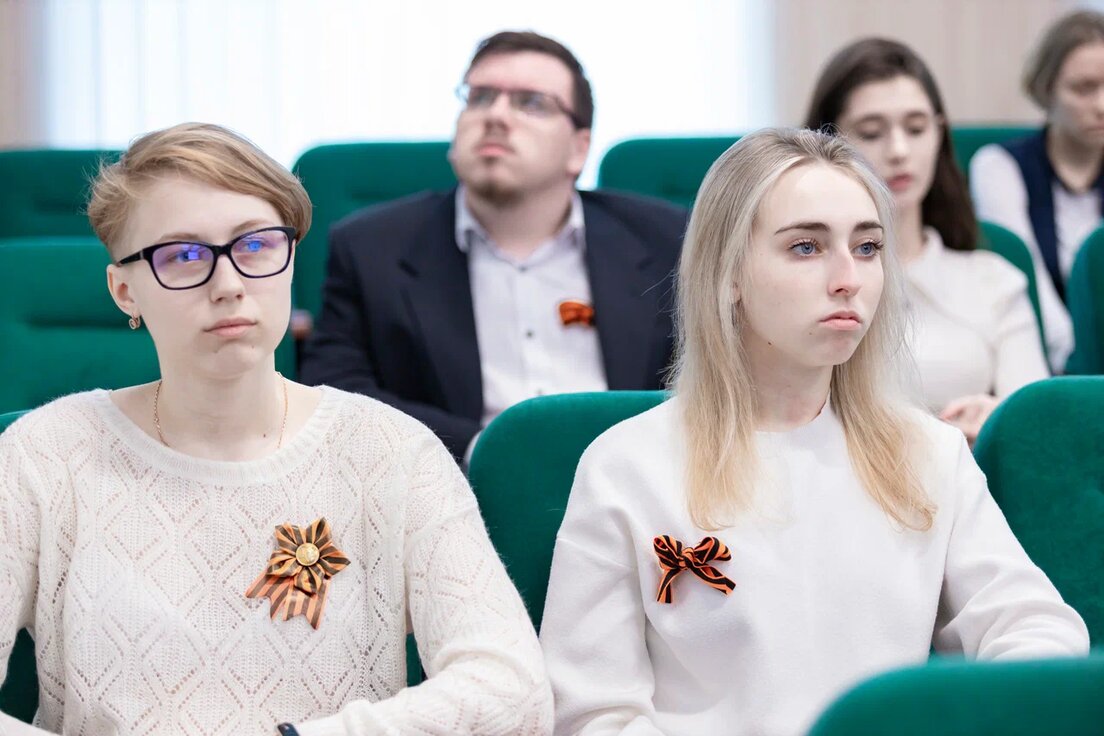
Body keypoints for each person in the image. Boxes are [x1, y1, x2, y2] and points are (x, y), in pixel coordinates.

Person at [0, 123, 552, 735]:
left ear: (291, 262)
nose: (229, 285)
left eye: (257, 245)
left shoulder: (391, 451)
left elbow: (512, 689)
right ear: (125, 291)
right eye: (183, 256)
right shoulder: (44, 455)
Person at [539, 128, 1089, 736]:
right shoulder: (626, 466)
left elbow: (1034, 629)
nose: (848, 278)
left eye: (868, 247)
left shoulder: (926, 452)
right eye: (806, 247)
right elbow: (593, 713)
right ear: (729, 274)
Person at [299, 31, 687, 463]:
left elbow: (714, 378)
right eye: (480, 97)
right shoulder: (371, 248)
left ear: (578, 149)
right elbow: (335, 392)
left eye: (531, 103)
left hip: (633, 479)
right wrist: (486, 453)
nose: (496, 115)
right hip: (454, 484)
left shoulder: (669, 239)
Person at [805, 38, 1050, 443]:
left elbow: (1041, 427)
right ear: (826, 143)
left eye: (916, 128)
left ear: (939, 134)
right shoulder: (800, 278)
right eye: (871, 132)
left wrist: (998, 422)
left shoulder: (993, 279)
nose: (899, 150)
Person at [970, 9, 1104, 370]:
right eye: (1084, 88)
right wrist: (1077, 364)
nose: (1101, 105)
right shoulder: (999, 166)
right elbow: (1025, 280)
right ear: (1046, 90)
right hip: (1040, 358)